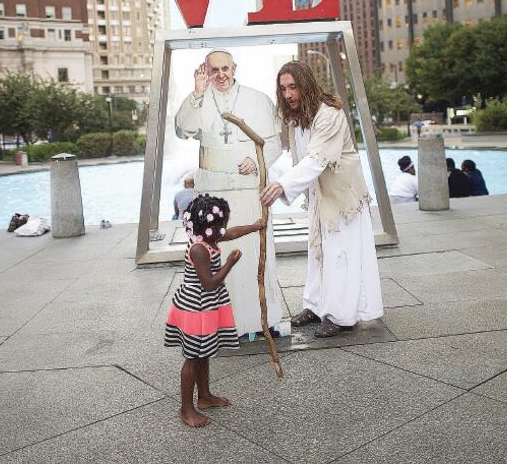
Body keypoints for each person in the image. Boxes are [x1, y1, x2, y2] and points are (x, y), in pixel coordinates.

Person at [260, 61, 383, 338]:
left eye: (293, 87)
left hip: (342, 196)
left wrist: (282, 185)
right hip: (319, 194)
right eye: (283, 89)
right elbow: (289, 153)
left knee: (341, 255)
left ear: (306, 85)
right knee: (319, 252)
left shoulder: (329, 116)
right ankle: (316, 306)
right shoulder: (297, 119)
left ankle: (342, 316)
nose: (288, 94)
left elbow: (317, 159)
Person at [174, 50, 283, 338]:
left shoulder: (257, 99)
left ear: (234, 68)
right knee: (217, 254)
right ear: (205, 71)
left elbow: (275, 144)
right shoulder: (198, 98)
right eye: (214, 70)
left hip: (248, 188)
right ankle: (224, 323)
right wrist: (197, 93)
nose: (220, 75)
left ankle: (260, 320)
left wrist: (256, 158)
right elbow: (183, 129)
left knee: (251, 251)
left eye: (225, 68)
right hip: (212, 190)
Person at [164, 194, 264, 428]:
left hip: (207, 305)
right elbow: (208, 283)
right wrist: (230, 262)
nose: (224, 228)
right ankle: (186, 408)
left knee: (204, 352)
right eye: (221, 224)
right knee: (193, 358)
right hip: (195, 307)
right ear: (209, 225)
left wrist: (255, 226)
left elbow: (233, 233)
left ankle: (205, 396)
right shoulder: (199, 248)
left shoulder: (208, 236)